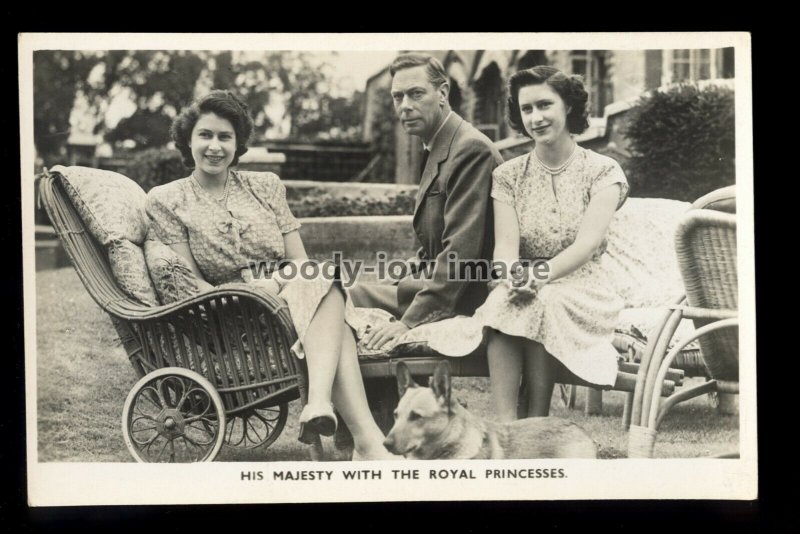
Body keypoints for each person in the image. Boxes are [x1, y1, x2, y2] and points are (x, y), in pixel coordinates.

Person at [145, 90, 396, 460]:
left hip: (293, 291)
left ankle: (334, 417)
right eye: (205, 135)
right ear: (188, 140)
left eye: (225, 137)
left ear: (238, 143)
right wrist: (255, 290)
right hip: (234, 310)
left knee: (319, 279)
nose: (214, 146)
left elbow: (299, 260)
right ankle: (355, 432)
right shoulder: (167, 200)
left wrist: (280, 283)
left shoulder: (265, 186)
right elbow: (194, 282)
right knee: (330, 299)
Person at [479, 66, 629, 420]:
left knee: (543, 299)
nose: (536, 117)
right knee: (504, 298)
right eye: (526, 109)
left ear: (569, 108)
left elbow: (587, 245)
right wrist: (511, 275)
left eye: (545, 105)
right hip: (527, 280)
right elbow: (504, 246)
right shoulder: (507, 176)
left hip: (583, 287)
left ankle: (536, 420)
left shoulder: (603, 171)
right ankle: (505, 426)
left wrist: (539, 277)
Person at [351, 53, 503, 350]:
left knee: (342, 302)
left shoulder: (471, 150)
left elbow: (459, 256)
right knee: (340, 296)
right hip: (437, 288)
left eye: (416, 94)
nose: (405, 106)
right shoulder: (440, 145)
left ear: (443, 93)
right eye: (398, 97)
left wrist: (408, 323)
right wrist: (403, 279)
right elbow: (431, 247)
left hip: (466, 298)